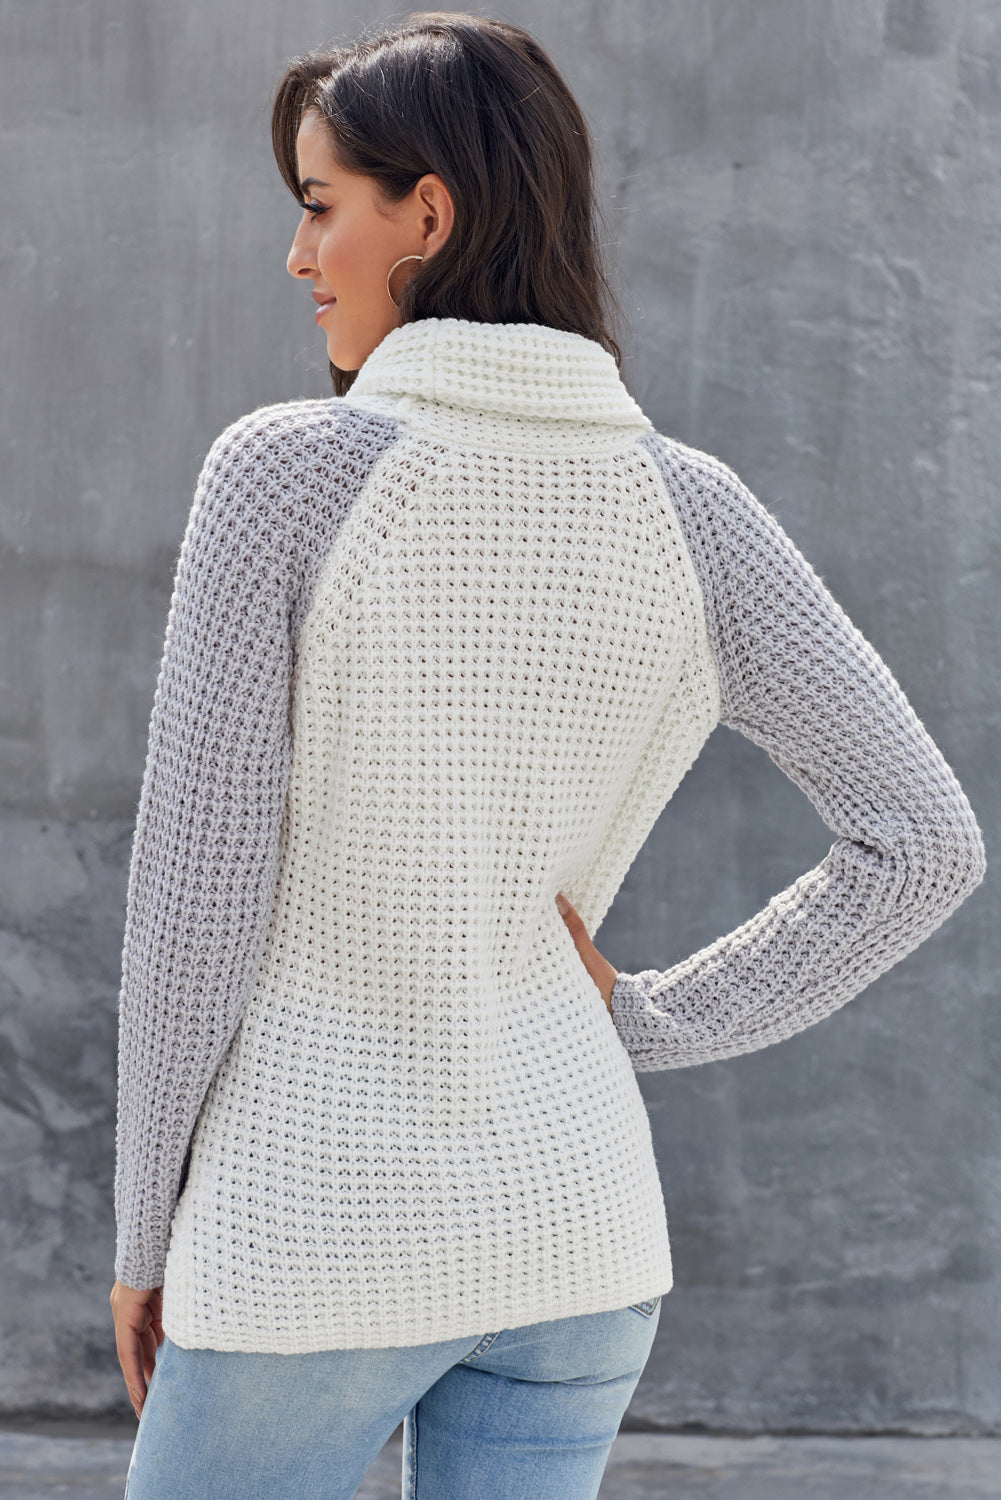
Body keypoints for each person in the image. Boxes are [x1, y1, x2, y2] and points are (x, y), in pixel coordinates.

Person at [109, 11, 986, 1499]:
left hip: (310, 1235)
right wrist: (639, 1022)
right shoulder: (692, 508)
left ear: (427, 215)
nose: (298, 256)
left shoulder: (282, 476)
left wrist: (145, 1240)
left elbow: (195, 908)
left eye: (320, 206)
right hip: (576, 1232)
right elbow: (925, 841)